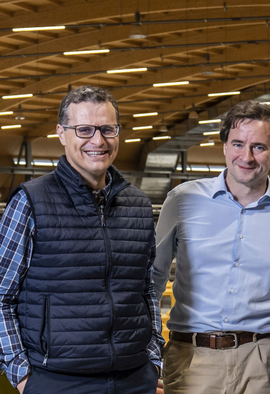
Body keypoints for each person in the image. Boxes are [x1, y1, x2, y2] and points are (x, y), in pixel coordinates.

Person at [153, 100, 270, 394]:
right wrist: (150, 340)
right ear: (224, 146)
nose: (246, 156)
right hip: (192, 359)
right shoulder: (182, 200)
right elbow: (153, 277)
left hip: (262, 361)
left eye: (258, 147)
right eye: (237, 144)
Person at [0, 86, 164, 394]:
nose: (98, 141)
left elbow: (145, 290)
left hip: (134, 379)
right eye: (84, 130)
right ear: (62, 133)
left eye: (107, 129)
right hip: (57, 381)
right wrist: (22, 375)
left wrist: (153, 359)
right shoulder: (30, 202)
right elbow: (1, 296)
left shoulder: (138, 205)